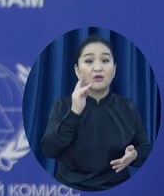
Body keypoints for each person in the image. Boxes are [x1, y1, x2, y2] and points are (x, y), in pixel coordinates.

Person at [41, 35, 152, 190]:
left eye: (105, 61)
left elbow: (145, 148)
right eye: (89, 61)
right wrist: (75, 112)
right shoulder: (63, 105)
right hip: (71, 189)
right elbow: (50, 149)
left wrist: (134, 155)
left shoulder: (128, 107)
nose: (98, 68)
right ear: (77, 70)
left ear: (114, 69)